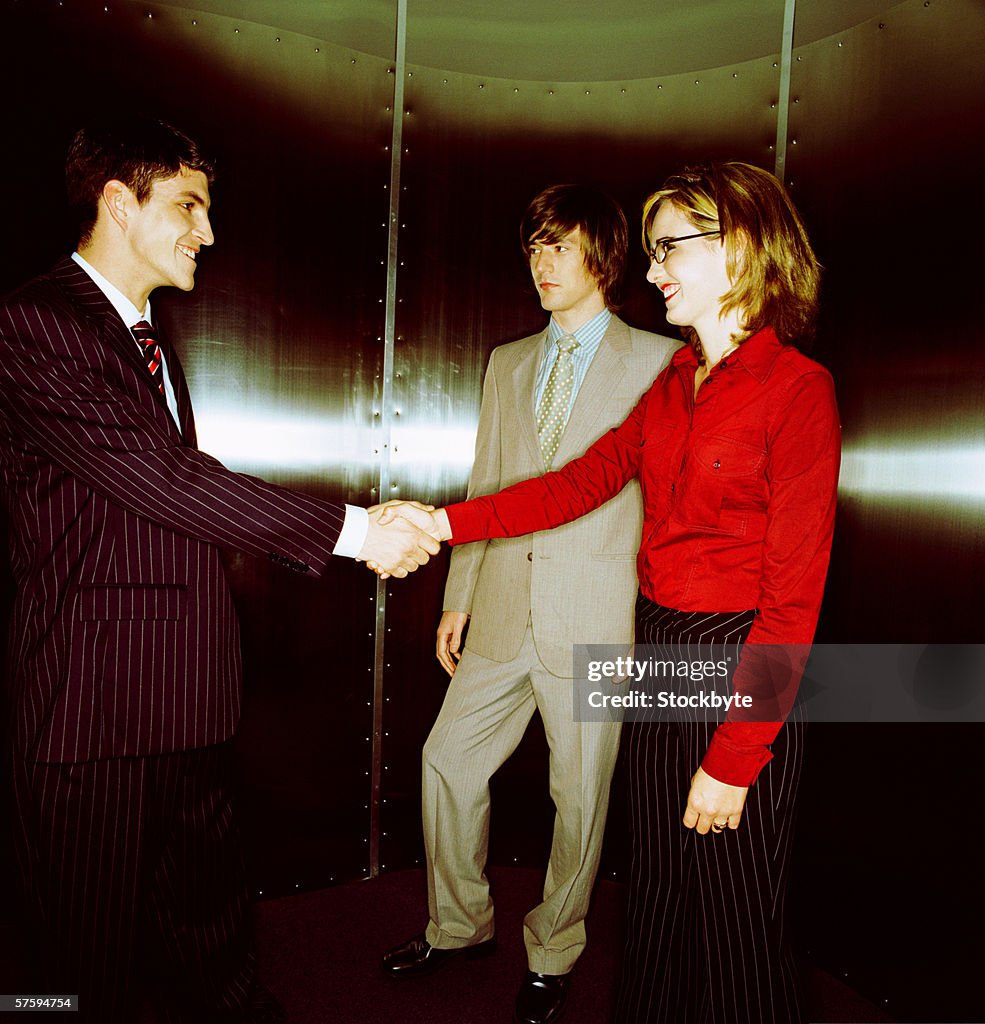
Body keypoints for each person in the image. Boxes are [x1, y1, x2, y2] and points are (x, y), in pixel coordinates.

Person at [378, 161, 841, 1024]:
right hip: (661, 643)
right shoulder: (675, 384)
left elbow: (792, 604)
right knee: (659, 895)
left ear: (739, 248)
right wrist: (439, 525)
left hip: (737, 658)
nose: (653, 269)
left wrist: (736, 760)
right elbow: (570, 485)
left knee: (734, 908)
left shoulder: (796, 389)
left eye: (670, 249)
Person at [0, 117, 437, 1024]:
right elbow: (165, 480)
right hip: (93, 706)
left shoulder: (146, 337)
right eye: (189, 206)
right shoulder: (36, 321)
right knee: (71, 956)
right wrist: (356, 532)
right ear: (119, 202)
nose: (208, 231)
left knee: (206, 922)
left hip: (185, 690)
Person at [381, 184, 678, 1024]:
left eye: (561, 246)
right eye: (535, 247)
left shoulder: (661, 361)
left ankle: (554, 947)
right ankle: (459, 923)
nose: (542, 263)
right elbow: (489, 485)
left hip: (598, 616)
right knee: (447, 761)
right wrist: (458, 595)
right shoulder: (506, 362)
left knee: (579, 794)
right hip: (504, 606)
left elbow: (663, 500)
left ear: (605, 258)